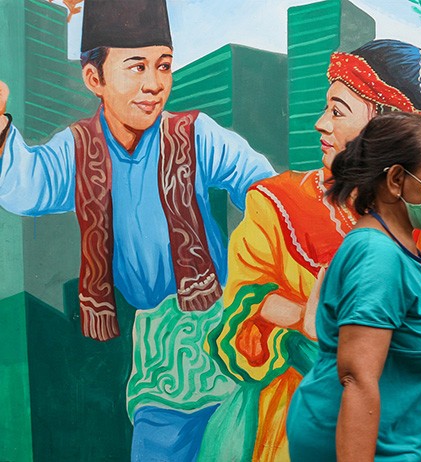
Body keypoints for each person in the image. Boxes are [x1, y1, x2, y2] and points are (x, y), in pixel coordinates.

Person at [0, 1, 276, 460]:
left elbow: (263, 189)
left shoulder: (195, 135)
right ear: (94, 78)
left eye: (163, 66)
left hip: (228, 329)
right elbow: (27, 186)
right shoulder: (78, 148)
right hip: (159, 351)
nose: (154, 84)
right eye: (137, 67)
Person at [206, 39, 421, 460]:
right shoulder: (276, 202)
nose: (320, 123)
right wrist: (301, 318)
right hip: (291, 426)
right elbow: (241, 309)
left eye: (338, 112)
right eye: (326, 108)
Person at [286, 111, 421, 460]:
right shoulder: (377, 257)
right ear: (396, 180)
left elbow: (403, 344)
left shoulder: (398, 248)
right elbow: (358, 377)